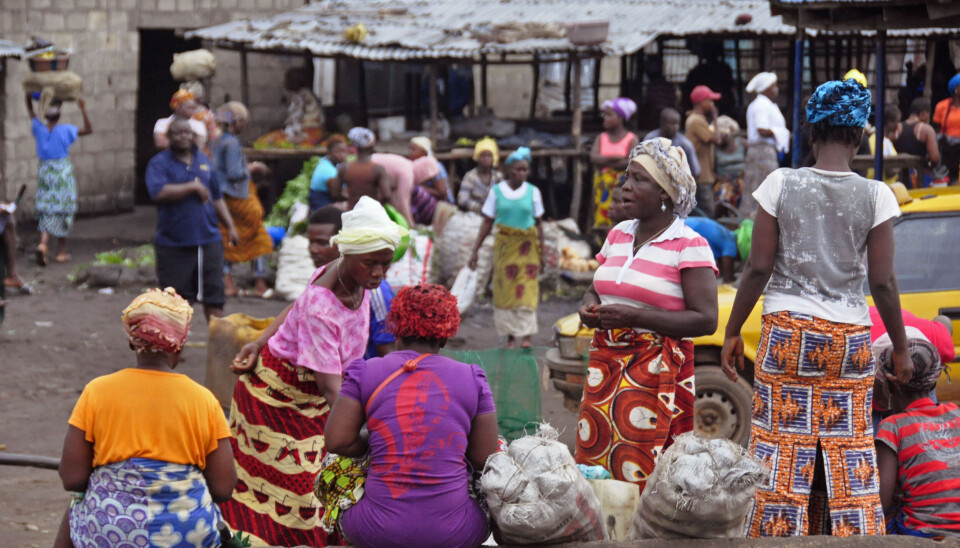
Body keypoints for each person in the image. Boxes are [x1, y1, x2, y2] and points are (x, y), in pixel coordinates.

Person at [721, 79, 914, 537]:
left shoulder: (780, 183)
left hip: (788, 334)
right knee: (848, 454)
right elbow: (883, 282)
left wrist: (732, 330)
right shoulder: (877, 195)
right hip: (847, 339)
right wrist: (901, 349)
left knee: (781, 453)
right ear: (860, 135)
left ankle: (773, 539)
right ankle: (857, 539)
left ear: (811, 130)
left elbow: (757, 266)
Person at [220, 197, 403, 547]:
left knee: (313, 483)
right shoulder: (324, 304)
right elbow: (333, 391)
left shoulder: (351, 276)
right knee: (296, 490)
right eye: (371, 264)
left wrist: (259, 340)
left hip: (316, 396)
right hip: (278, 399)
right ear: (347, 254)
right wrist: (375, 437)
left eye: (386, 262)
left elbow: (293, 305)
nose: (379, 272)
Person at [574, 138, 719, 489]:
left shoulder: (689, 244)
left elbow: (705, 320)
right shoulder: (618, 234)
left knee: (642, 469)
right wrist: (588, 305)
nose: (625, 186)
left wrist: (634, 318)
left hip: (656, 374)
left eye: (639, 179)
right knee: (596, 460)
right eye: (627, 177)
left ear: (665, 193)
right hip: (604, 371)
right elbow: (599, 286)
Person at [54, 288, 236, 548]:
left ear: (131, 340)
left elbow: (71, 478)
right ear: (180, 344)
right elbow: (223, 488)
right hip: (184, 534)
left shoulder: (97, 391)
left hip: (109, 531)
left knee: (76, 506)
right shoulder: (203, 400)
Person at [324, 284, 499, 548]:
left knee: (334, 468)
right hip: (455, 532)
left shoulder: (365, 371)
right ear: (445, 336)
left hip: (373, 529)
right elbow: (484, 457)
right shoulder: (472, 378)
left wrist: (378, 441)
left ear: (394, 327)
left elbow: (337, 441)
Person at [146, 117, 238, 321]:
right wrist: (192, 187)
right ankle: (174, 351)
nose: (184, 137)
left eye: (188, 133)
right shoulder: (159, 163)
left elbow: (217, 197)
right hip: (174, 241)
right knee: (175, 300)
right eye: (178, 133)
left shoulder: (203, 161)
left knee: (215, 297)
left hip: (208, 239)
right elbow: (158, 192)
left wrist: (230, 226)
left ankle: (217, 347)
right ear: (169, 137)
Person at [873, 335, 959, 539]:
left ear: (890, 383)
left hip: (926, 534)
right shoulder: (956, 412)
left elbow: (880, 503)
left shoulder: (892, 426)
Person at [467, 147, 544, 349]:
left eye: (525, 170)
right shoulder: (496, 192)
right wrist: (475, 250)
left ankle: (526, 334)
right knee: (505, 289)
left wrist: (542, 252)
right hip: (504, 248)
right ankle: (510, 335)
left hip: (527, 248)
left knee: (527, 288)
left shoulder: (533, 192)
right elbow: (487, 222)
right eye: (518, 169)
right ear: (508, 170)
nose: (522, 174)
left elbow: (539, 223)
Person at [307, 206, 396, 359]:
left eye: (322, 243)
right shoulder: (321, 276)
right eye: (311, 242)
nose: (313, 249)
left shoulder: (374, 291)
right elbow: (298, 307)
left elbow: (387, 354)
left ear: (343, 245)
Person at [211, 102, 274, 299]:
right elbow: (234, 172)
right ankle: (260, 284)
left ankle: (228, 283)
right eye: (243, 121)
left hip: (223, 197)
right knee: (259, 236)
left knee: (227, 238)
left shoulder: (217, 141)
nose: (244, 125)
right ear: (236, 122)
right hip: (238, 196)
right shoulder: (231, 143)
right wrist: (253, 168)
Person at [25, 94, 91, 265]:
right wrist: (83, 109)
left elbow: (30, 111)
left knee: (47, 209)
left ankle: (43, 244)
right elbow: (88, 130)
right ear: (59, 115)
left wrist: (29, 94)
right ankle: (61, 252)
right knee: (64, 209)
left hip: (46, 172)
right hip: (62, 173)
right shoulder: (66, 130)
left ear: (46, 115)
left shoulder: (38, 128)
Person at [742, 72, 789, 218]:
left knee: (758, 184)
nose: (776, 89)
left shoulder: (765, 104)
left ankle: (753, 218)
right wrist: (778, 132)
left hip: (764, 150)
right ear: (766, 89)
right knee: (763, 186)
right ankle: (755, 219)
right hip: (762, 151)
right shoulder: (761, 105)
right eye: (774, 86)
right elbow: (762, 130)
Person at [590, 97, 639, 228]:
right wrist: (616, 158)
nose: (605, 118)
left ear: (620, 118)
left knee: (623, 222)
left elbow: (631, 162)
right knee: (601, 218)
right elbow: (594, 158)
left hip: (622, 190)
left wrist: (605, 162)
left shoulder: (631, 139)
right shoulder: (601, 138)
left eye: (609, 115)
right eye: (604, 115)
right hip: (602, 191)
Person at [686, 86, 724, 217]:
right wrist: (715, 116)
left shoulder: (699, 119)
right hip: (701, 175)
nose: (712, 104)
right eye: (710, 101)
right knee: (707, 212)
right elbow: (717, 139)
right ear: (702, 102)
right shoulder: (696, 120)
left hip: (704, 173)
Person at [644, 108, 701, 180]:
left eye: (677, 123)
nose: (675, 127)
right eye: (672, 123)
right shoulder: (650, 139)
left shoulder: (685, 144)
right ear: (662, 122)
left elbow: (696, 171)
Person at [894, 98, 940, 187]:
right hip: (920, 177)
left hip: (899, 178)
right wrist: (930, 165)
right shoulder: (926, 129)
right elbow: (934, 157)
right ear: (923, 113)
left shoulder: (897, 128)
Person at [685, 216, 739, 283]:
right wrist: (729, 279)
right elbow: (727, 264)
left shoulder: (727, 235)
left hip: (686, 223)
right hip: (687, 228)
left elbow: (721, 263)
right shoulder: (731, 244)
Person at [458, 137, 503, 214]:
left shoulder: (498, 176)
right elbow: (462, 199)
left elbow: (503, 197)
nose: (486, 159)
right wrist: (478, 208)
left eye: (489, 156)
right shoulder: (470, 176)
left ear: (494, 158)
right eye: (482, 156)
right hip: (474, 214)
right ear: (477, 157)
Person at [309, 135, 349, 211]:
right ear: (329, 152)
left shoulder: (325, 160)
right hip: (321, 206)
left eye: (344, 151)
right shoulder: (328, 171)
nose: (342, 155)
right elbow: (336, 195)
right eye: (338, 152)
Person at [932, 73, 960, 182]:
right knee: (946, 177)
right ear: (956, 89)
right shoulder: (942, 106)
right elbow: (937, 129)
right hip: (946, 149)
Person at [410, 136, 454, 202]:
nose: (410, 153)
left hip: (444, 204)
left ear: (423, 152)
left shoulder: (436, 167)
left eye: (414, 149)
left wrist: (419, 188)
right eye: (410, 149)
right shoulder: (415, 167)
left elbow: (442, 193)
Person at [866, 104, 901, 184]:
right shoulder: (884, 142)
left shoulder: (872, 138)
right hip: (886, 187)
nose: (898, 125)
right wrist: (900, 166)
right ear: (890, 122)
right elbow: (888, 172)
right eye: (897, 121)